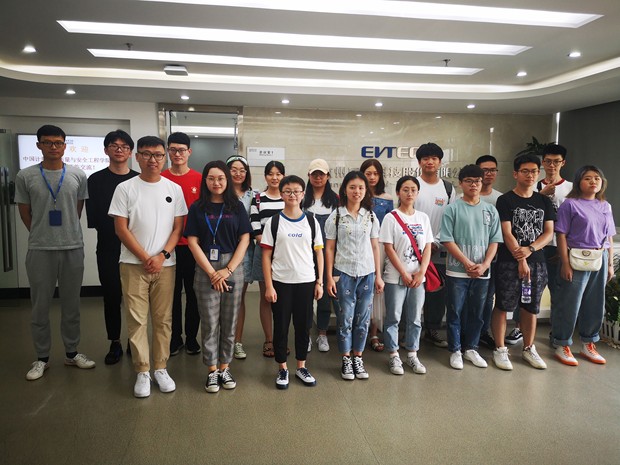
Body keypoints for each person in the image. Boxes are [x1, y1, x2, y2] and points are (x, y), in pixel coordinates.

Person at [16, 124, 96, 381]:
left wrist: (65, 232)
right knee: (40, 306)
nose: (53, 146)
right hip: (40, 249)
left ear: (64, 145)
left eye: (58, 142)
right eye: (48, 142)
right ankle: (41, 358)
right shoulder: (25, 176)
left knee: (72, 305)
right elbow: (25, 212)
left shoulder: (77, 174)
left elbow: (77, 210)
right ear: (38, 145)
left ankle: (72, 353)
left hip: (72, 247)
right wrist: (42, 234)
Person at [109, 135, 187, 397]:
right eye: (147, 154)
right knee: (137, 319)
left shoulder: (173, 189)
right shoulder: (125, 188)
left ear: (164, 157)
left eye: (158, 155)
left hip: (166, 265)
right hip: (133, 264)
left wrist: (162, 255)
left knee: (164, 319)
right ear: (137, 157)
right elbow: (121, 229)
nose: (153, 159)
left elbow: (178, 228)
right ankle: (142, 370)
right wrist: (145, 257)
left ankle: (160, 368)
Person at [185, 160, 251, 392]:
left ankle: (225, 367)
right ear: (205, 180)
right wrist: (213, 272)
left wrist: (228, 270)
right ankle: (212, 369)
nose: (216, 182)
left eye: (221, 178)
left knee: (230, 321)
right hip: (206, 268)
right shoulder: (197, 208)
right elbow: (192, 242)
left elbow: (245, 239)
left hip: (232, 266)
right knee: (210, 322)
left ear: (227, 180)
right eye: (211, 178)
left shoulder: (236, 207)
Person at [491, 154, 554, 371]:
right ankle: (500, 349)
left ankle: (528, 348)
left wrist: (530, 250)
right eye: (525, 171)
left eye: (534, 171)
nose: (530, 175)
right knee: (503, 305)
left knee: (531, 306)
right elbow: (506, 232)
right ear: (515, 174)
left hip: (537, 262)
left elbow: (548, 232)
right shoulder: (505, 200)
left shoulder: (544, 201)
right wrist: (521, 257)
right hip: (508, 262)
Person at [261, 175, 324, 389]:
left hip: (306, 281)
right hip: (281, 281)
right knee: (281, 326)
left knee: (303, 326)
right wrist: (269, 285)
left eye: (297, 191)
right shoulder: (274, 222)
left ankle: (301, 366)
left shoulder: (311, 221)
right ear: (281, 194)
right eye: (288, 191)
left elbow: (319, 253)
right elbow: (266, 256)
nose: (292, 195)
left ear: (303, 194)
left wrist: (319, 282)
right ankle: (282, 368)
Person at [551, 165, 615, 366]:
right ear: (579, 182)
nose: (593, 181)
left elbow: (609, 237)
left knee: (595, 303)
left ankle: (589, 343)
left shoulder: (605, 206)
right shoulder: (570, 204)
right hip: (575, 257)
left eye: (597, 178)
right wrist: (565, 263)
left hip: (599, 258)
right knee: (569, 303)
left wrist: (610, 264)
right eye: (587, 178)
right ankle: (562, 343)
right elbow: (561, 235)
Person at [440, 165, 502, 370]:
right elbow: (447, 239)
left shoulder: (490, 210)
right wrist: (467, 263)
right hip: (457, 271)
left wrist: (485, 264)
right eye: (469, 181)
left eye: (477, 181)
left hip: (482, 272)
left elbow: (495, 240)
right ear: (461, 183)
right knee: (455, 312)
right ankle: (455, 350)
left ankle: (471, 348)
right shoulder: (452, 209)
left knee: (478, 312)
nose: (473, 184)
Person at [86, 129, 138, 364]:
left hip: (135, 248)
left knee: (135, 298)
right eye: (114, 146)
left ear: (131, 152)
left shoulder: (138, 180)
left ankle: (134, 341)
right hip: (108, 246)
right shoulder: (95, 180)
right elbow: (96, 218)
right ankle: (115, 341)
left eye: (125, 146)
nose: (119, 150)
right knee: (111, 295)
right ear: (106, 150)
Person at [325, 171, 383, 381]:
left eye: (360, 187)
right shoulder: (336, 216)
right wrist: (329, 276)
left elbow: (375, 247)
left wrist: (378, 275)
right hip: (344, 273)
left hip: (367, 273)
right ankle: (346, 359)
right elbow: (329, 248)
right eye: (352, 187)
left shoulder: (371, 216)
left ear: (366, 191)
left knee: (363, 319)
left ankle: (358, 357)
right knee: (345, 318)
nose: (356, 191)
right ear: (344, 190)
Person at [380, 176, 432, 375]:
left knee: (415, 318)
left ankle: (412, 354)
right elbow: (389, 248)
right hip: (395, 276)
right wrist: (404, 272)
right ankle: (393, 355)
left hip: (418, 277)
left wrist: (421, 272)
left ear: (417, 193)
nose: (409, 193)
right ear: (398, 193)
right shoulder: (391, 218)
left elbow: (428, 247)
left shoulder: (423, 218)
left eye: (413, 190)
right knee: (393, 317)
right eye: (405, 190)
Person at [161, 132, 202, 356]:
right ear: (168, 151)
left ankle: (192, 338)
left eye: (181, 150)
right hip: (167, 247)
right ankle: (175, 338)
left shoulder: (199, 179)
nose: (177, 154)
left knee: (194, 295)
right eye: (173, 150)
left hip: (193, 247)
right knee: (171, 295)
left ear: (189, 152)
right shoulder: (161, 178)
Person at [415, 143, 456, 348]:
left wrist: (435, 242)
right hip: (414, 249)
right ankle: (411, 332)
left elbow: (451, 218)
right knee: (413, 291)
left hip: (438, 249)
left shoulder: (448, 188)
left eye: (434, 158)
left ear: (440, 162)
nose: (429, 162)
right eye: (425, 158)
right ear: (419, 162)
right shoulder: (413, 184)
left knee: (436, 291)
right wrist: (419, 244)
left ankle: (432, 330)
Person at [532, 144, 573, 345]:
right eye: (548, 161)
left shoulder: (572, 188)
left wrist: (566, 249)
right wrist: (542, 195)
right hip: (537, 246)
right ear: (543, 162)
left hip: (561, 247)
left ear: (563, 163)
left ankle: (557, 334)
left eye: (556, 161)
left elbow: (575, 219)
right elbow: (526, 212)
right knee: (530, 291)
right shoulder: (532, 186)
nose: (552, 165)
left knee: (560, 293)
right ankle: (521, 330)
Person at [302, 158, 340, 353]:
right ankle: (306, 334)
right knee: (306, 296)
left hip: (328, 255)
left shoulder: (336, 200)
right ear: (309, 176)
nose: (318, 178)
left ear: (328, 176)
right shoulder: (302, 199)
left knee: (325, 295)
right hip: (305, 255)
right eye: (314, 174)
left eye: (322, 174)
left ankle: (322, 334)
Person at [250, 161, 285, 358]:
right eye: (271, 174)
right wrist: (270, 245)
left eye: (278, 174)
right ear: (265, 177)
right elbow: (255, 227)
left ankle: (281, 340)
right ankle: (269, 340)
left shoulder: (288, 197)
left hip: (286, 255)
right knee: (266, 297)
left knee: (283, 300)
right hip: (264, 252)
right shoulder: (258, 199)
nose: (274, 177)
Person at [360, 159, 393, 352]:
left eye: (375, 173)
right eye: (368, 173)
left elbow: (390, 226)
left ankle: (373, 333)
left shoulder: (387, 198)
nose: (372, 177)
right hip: (358, 246)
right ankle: (359, 330)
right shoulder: (357, 194)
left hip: (379, 247)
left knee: (376, 290)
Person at [226, 155, 256, 360]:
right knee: (221, 299)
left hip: (245, 252)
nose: (238, 173)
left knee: (238, 299)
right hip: (223, 251)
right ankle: (222, 339)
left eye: (242, 170)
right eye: (234, 170)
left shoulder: (254, 196)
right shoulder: (221, 193)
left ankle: (236, 341)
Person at [475, 155, 502, 350]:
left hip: (493, 258)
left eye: (493, 170)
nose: (489, 174)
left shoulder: (500, 198)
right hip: (467, 258)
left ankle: (483, 332)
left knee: (487, 297)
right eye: (485, 170)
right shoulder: (460, 198)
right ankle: (468, 333)